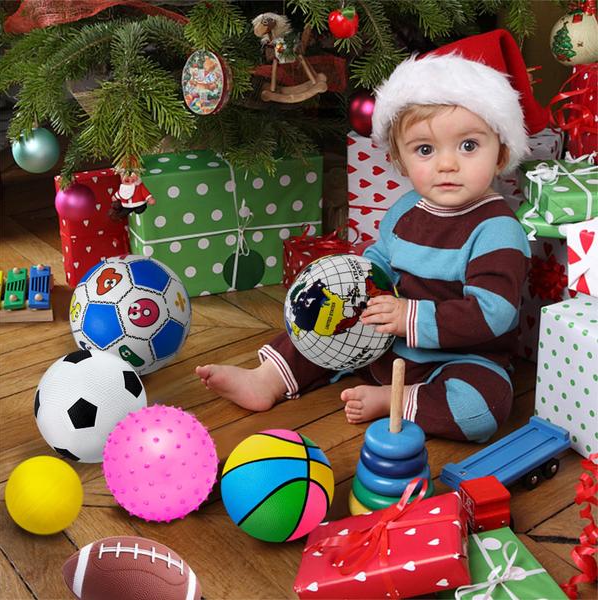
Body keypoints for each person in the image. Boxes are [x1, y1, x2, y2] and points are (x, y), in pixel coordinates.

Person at [196, 49, 532, 443]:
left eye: (468, 146)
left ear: (502, 153)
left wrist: (411, 316)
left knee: (483, 407)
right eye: (425, 150)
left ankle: (400, 400)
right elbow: (379, 262)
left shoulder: (497, 230)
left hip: (459, 357)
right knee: (321, 319)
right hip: (385, 340)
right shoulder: (406, 209)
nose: (447, 164)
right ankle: (268, 378)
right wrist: (351, 285)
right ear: (401, 162)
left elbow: (492, 314)